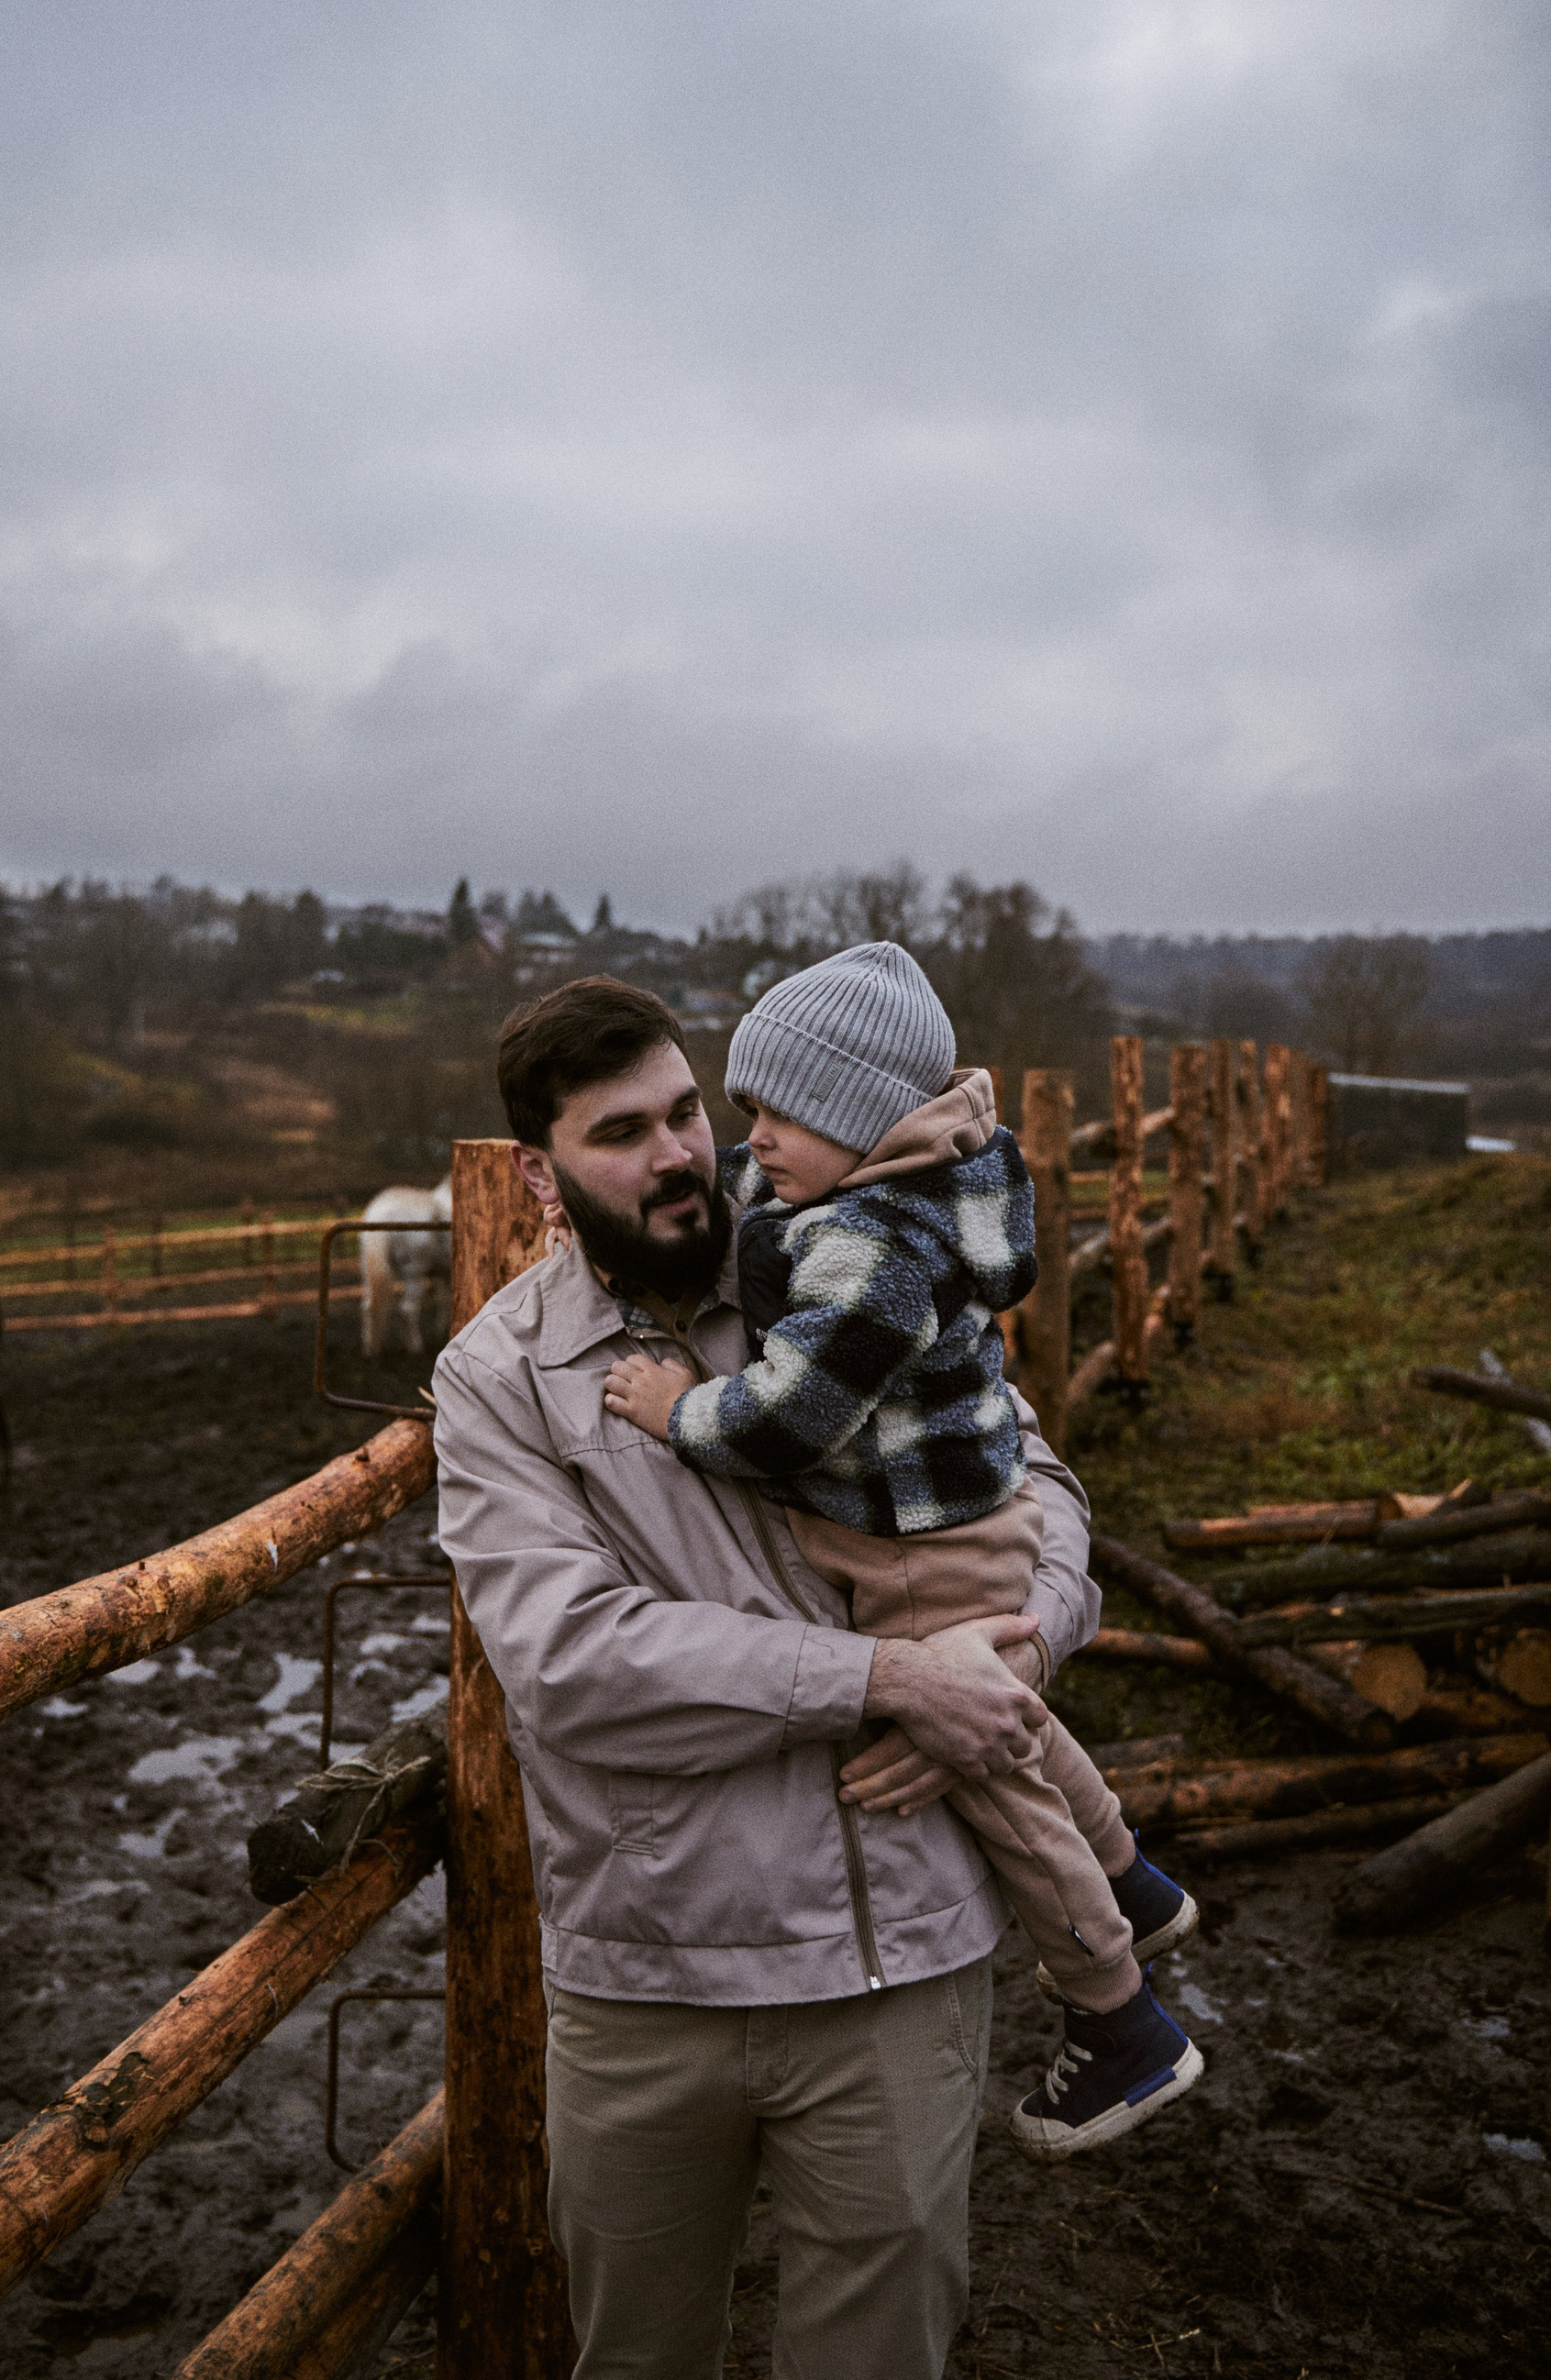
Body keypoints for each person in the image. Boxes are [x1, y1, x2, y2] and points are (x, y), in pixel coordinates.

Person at [432, 974, 1108, 2380]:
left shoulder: (847, 1253)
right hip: (648, 1978)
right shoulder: (500, 1379)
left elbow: (1035, 1481)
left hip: (899, 1955)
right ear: (539, 1173)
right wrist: (888, 1680)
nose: (680, 1154)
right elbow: (572, 1663)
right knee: (639, 2358)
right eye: (621, 1133)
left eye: (688, 1111)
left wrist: (1021, 1646)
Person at [603, 940, 1202, 2162]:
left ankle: (1119, 2016)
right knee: (1014, 1723)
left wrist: (675, 1409)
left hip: (921, 1543)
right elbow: (766, 1189)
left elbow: (789, 1421)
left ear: (860, 1121)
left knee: (989, 1771)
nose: (753, 1141)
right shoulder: (914, 1179)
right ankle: (1133, 1881)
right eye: (746, 1112)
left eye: (778, 1117)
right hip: (966, 1516)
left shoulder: (870, 1247)